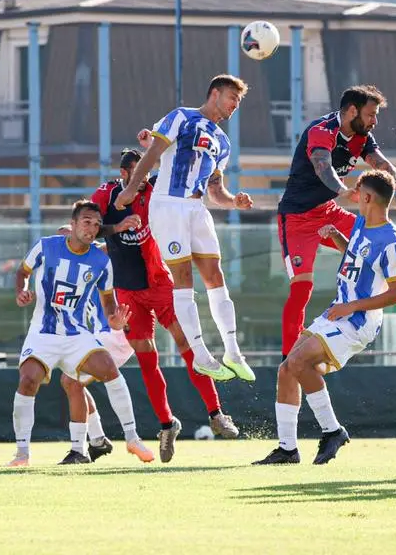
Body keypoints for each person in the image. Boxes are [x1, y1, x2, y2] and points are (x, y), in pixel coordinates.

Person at [275, 85, 396, 360]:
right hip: (297, 219)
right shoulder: (321, 131)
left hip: (329, 211)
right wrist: (343, 191)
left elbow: (380, 163)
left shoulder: (362, 136)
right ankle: (289, 360)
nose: (374, 121)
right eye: (371, 114)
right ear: (351, 111)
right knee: (302, 289)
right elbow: (323, 166)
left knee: (383, 251)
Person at [89, 148, 240, 463]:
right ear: (122, 174)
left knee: (188, 346)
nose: (141, 179)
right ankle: (167, 424)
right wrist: (116, 228)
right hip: (128, 293)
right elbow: (88, 229)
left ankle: (216, 413)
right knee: (147, 359)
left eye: (145, 172)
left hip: (161, 285)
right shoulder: (105, 196)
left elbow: (189, 178)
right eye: (135, 173)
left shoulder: (157, 190)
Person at [253, 170, 396, 465]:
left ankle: (333, 431)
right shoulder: (361, 224)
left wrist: (352, 307)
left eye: (357, 194)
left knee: (298, 362)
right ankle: (287, 449)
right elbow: (355, 260)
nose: (354, 201)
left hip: (357, 321)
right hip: (338, 312)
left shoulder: (391, 240)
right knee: (286, 369)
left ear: (368, 197)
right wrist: (338, 239)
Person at [114, 74, 255, 384]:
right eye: (232, 97)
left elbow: (215, 191)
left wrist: (234, 202)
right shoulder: (181, 117)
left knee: (215, 276)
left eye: (239, 101)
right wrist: (132, 190)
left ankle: (233, 352)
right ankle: (202, 355)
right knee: (184, 278)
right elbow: (152, 154)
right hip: (168, 205)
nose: (235, 105)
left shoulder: (223, 142)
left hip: (196, 208)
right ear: (215, 93)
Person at [7, 200, 143, 467]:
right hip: (43, 332)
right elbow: (22, 271)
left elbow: (108, 303)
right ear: (72, 225)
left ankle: (132, 438)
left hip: (78, 334)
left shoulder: (102, 261)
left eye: (95, 225)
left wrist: (114, 321)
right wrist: (21, 291)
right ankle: (22, 453)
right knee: (28, 380)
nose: (91, 229)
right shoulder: (46, 246)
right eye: (86, 223)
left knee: (106, 369)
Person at [54, 223, 155, 465]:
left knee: (70, 380)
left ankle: (83, 449)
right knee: (70, 382)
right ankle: (98, 440)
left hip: (118, 331)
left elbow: (108, 247)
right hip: (102, 333)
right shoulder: (75, 269)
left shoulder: (103, 254)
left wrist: (84, 240)